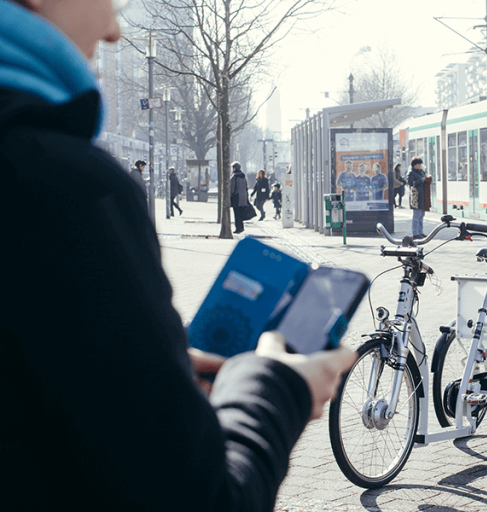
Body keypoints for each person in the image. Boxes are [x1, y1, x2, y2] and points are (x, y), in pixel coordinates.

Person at [0, 2, 356, 511]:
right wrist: (277, 388)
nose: (114, 29)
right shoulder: (61, 188)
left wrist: (139, 371)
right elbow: (202, 500)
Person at [406, 156, 431, 239]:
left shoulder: (422, 172)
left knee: (421, 215)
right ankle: (415, 233)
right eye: (417, 164)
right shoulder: (411, 173)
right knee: (416, 216)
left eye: (420, 164)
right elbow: (411, 183)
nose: (419, 166)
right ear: (414, 165)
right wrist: (422, 180)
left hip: (423, 196)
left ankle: (420, 232)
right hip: (416, 198)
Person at [230, 161, 248, 233]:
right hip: (243, 197)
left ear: (234, 168)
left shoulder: (234, 177)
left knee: (236, 213)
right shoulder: (243, 176)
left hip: (236, 197)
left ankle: (238, 228)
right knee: (241, 213)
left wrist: (230, 195)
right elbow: (246, 187)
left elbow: (232, 188)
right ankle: (241, 227)